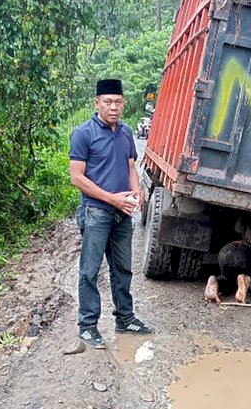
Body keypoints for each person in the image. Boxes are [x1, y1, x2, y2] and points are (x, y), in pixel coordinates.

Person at [68, 78, 154, 349]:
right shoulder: (83, 133)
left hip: (121, 214)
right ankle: (87, 326)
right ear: (97, 103)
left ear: (124, 103)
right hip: (96, 212)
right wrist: (111, 199)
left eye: (117, 102)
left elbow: (130, 166)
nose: (113, 107)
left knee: (123, 269)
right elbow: (77, 178)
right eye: (107, 102)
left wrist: (136, 190)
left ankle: (125, 318)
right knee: (90, 271)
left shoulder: (127, 133)